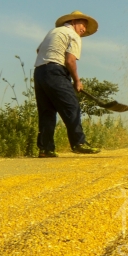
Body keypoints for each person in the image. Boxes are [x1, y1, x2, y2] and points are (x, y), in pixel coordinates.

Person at [33, 11, 102, 157]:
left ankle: (45, 149)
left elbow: (39, 50)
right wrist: (77, 81)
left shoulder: (54, 32)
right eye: (83, 24)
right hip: (55, 71)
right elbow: (70, 60)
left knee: (47, 111)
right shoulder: (73, 35)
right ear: (74, 21)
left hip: (39, 72)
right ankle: (79, 143)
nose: (84, 29)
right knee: (72, 106)